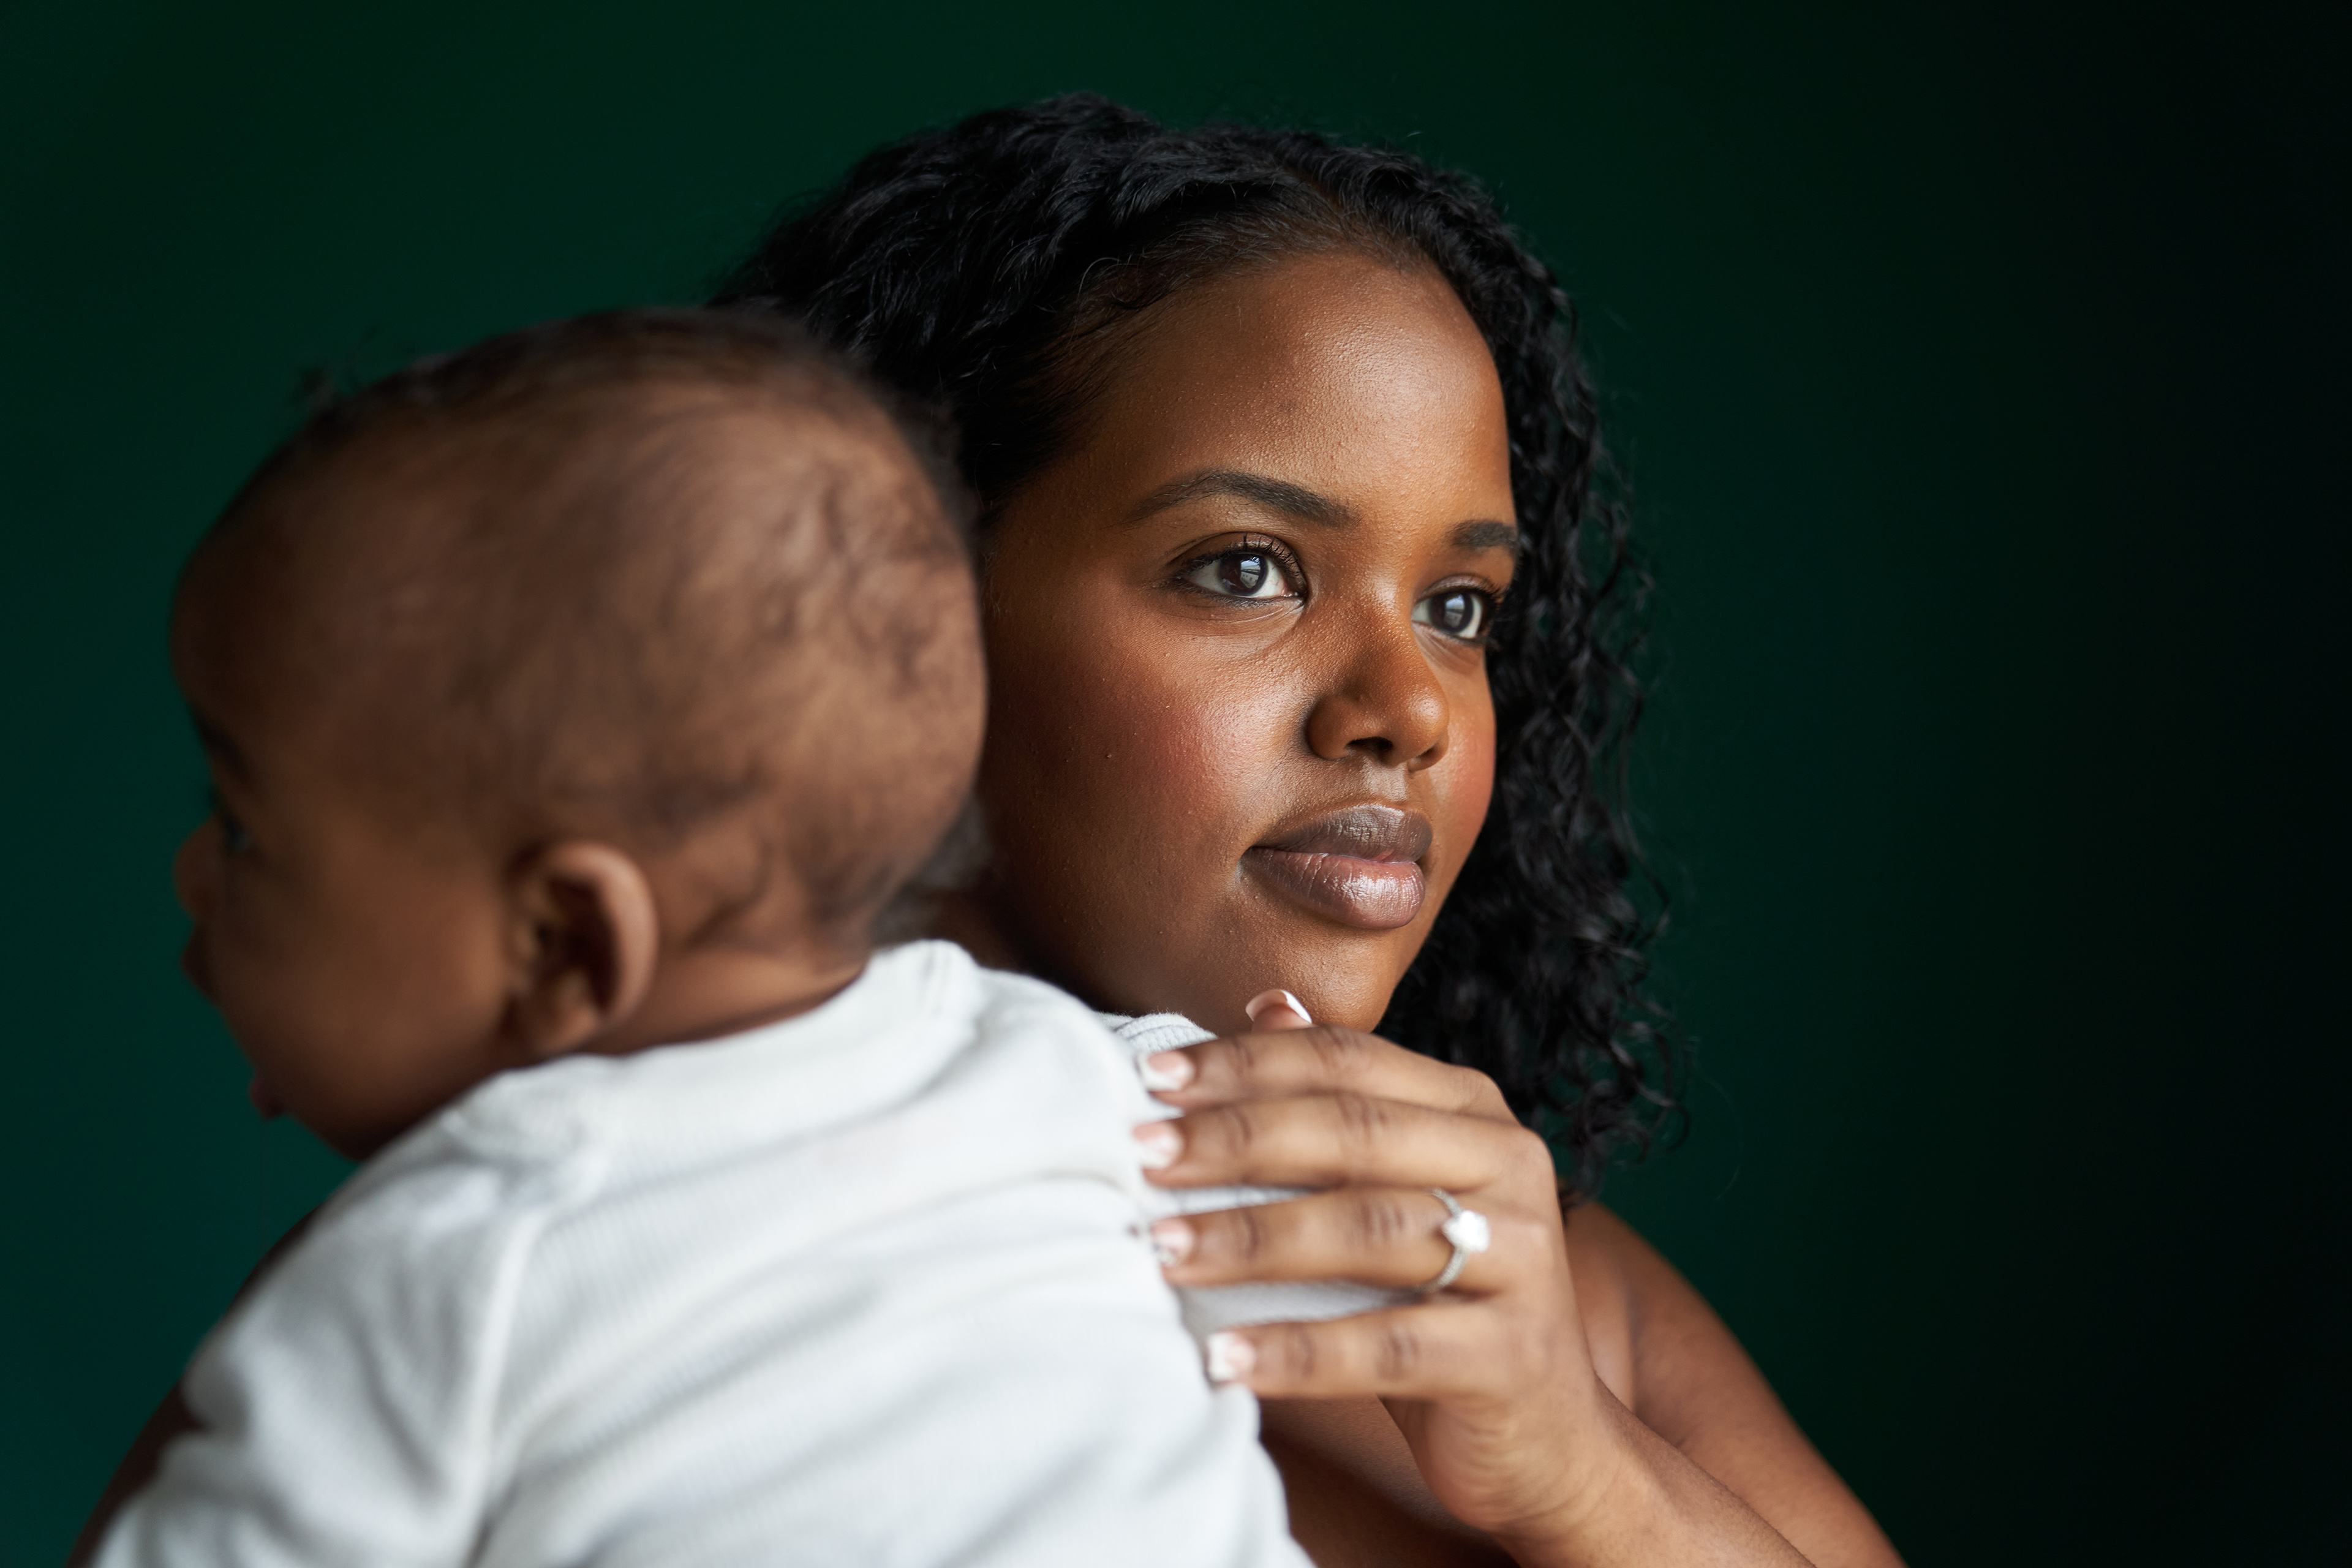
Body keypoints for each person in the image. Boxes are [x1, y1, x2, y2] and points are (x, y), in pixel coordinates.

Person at [712, 96, 1906, 1566]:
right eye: (1248, 568)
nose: (1409, 705)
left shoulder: (1553, 1292)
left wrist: (1584, 1474)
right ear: (898, 609)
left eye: (1458, 607)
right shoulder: (624, 1223)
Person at [83, 309, 1310, 1567]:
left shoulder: (441, 1270)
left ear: (563, 944)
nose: (191, 872)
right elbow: (1351, 1263)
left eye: (240, 826)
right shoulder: (1067, 1066)